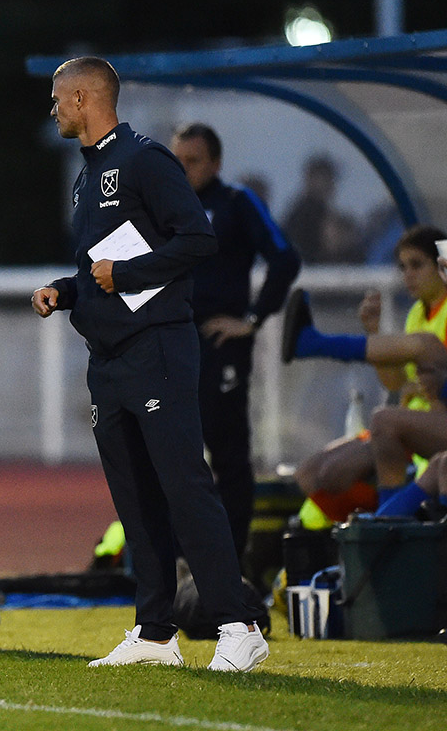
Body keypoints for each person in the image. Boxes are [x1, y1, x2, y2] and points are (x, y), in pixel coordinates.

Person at [32, 57, 268, 671]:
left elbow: (197, 239)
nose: (52, 109)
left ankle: (237, 625)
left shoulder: (143, 158)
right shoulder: (86, 177)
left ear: (84, 98)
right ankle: (155, 632)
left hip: (157, 349)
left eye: (58, 99)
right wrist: (65, 288)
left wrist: (128, 274)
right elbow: (97, 271)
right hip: (108, 360)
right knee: (135, 499)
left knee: (185, 485)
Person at [171, 123, 301, 560]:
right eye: (178, 160)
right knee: (172, 450)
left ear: (216, 163)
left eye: (194, 161)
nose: (184, 170)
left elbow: (285, 257)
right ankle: (182, 557)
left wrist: (252, 319)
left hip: (220, 342)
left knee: (226, 450)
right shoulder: (161, 206)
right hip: (172, 341)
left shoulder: (236, 203)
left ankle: (232, 559)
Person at [282, 227, 447, 520]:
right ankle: (373, 527)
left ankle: (388, 524)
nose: (408, 275)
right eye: (403, 267)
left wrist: (432, 390)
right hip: (414, 420)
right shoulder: (416, 315)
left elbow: (434, 383)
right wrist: (374, 333)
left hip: (428, 425)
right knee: (308, 473)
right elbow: (395, 383)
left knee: (375, 429)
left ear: (441, 266)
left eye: (417, 265)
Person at [283, 155, 364, 264]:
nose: (332, 184)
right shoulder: (304, 215)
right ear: (311, 179)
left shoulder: (314, 211)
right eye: (327, 178)